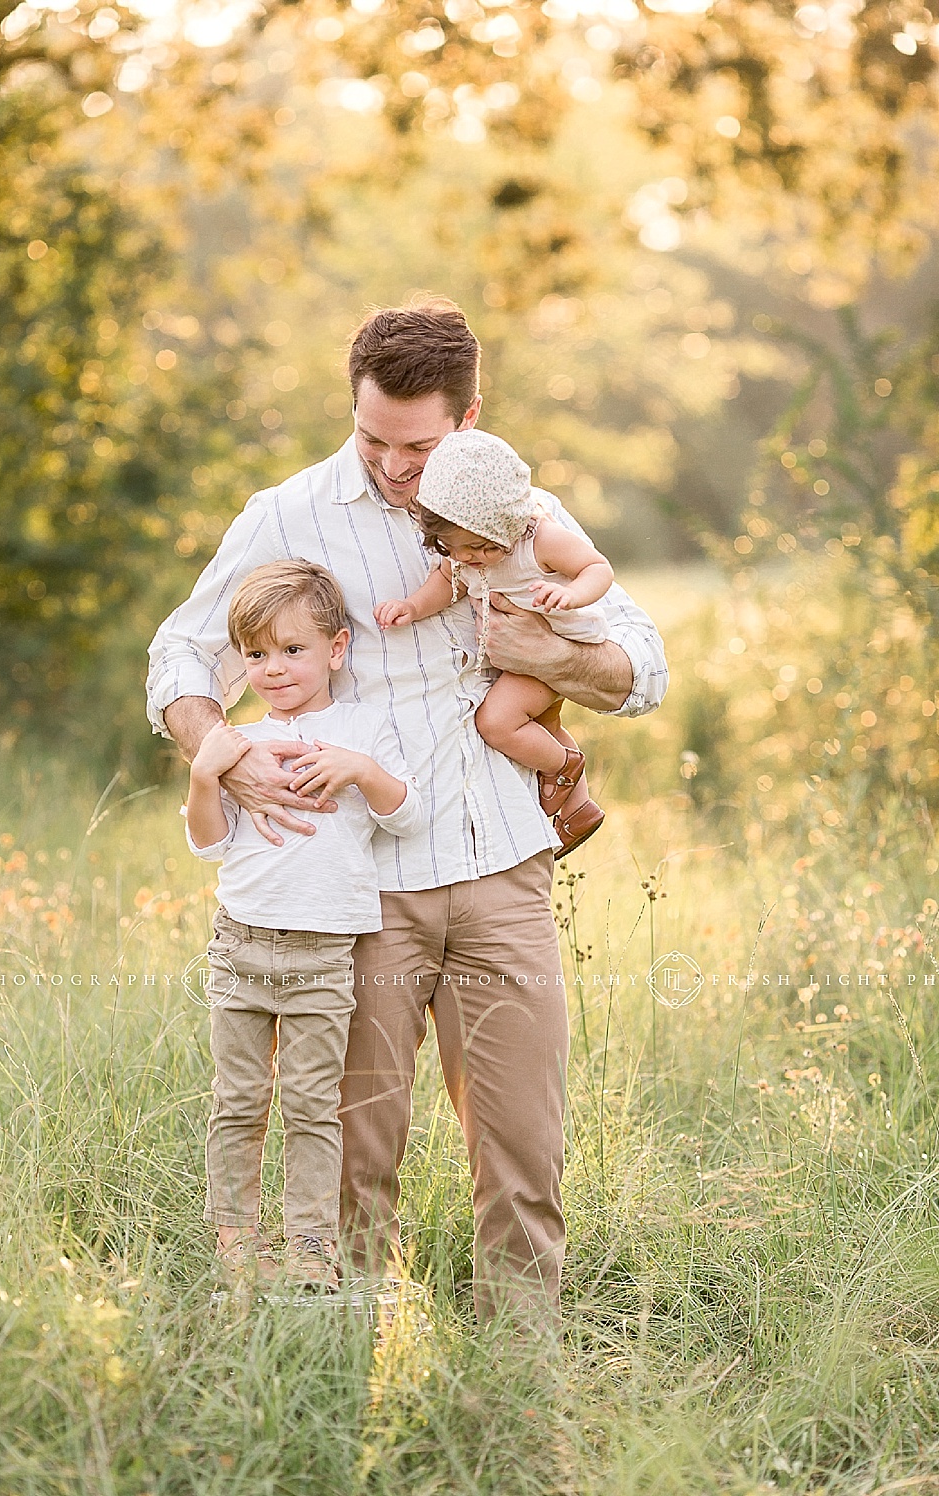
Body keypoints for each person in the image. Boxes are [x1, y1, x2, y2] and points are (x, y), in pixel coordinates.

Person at [147, 296, 668, 1333]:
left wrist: (546, 656)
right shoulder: (286, 512)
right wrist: (227, 756)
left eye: (417, 444)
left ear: (470, 415)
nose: (391, 465)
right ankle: (332, 1370)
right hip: (352, 891)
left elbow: (639, 669)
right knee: (350, 1149)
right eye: (371, 436)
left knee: (520, 1145)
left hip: (500, 870)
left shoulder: (516, 508)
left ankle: (518, 1385)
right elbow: (178, 655)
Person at [185, 561, 422, 1294]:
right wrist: (205, 773)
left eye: (294, 650)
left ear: (337, 649)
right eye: (257, 654)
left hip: (324, 953)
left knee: (314, 1103)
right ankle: (235, 1239)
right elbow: (207, 841)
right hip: (242, 944)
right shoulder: (236, 740)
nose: (275, 669)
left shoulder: (363, 727)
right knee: (239, 1099)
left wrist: (360, 770)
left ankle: (312, 1246)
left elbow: (405, 813)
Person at [375, 428, 613, 855]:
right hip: (517, 660)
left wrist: (571, 594)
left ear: (507, 526)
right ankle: (579, 811)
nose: (469, 558)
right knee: (545, 725)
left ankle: (563, 767)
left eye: (482, 548)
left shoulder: (539, 540)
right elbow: (447, 582)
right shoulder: (462, 553)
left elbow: (597, 568)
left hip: (553, 646)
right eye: (456, 548)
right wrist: (412, 607)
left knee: (497, 722)